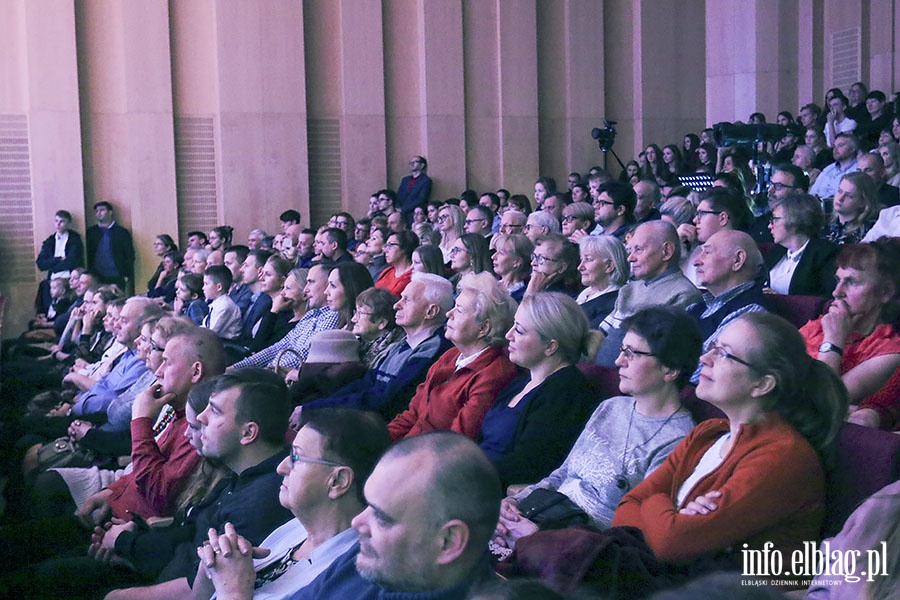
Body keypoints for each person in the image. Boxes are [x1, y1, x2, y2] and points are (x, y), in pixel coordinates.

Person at [613, 313, 846, 569]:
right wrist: (669, 512)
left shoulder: (783, 456)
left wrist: (655, 499)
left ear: (762, 384)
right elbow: (626, 506)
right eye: (712, 347)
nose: (704, 359)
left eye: (723, 353)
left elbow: (672, 542)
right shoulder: (706, 434)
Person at [495, 306, 701, 546]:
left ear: (670, 370)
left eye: (632, 353)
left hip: (580, 550)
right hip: (542, 516)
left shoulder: (678, 439)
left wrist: (541, 538)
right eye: (622, 350)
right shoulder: (612, 407)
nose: (618, 361)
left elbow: (633, 531)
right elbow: (563, 473)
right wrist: (516, 502)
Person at [193, 409, 392, 600]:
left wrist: (233, 591)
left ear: (338, 481)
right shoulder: (298, 528)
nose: (281, 467)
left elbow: (231, 591)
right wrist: (212, 565)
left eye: (296, 457)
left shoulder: (348, 575)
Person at [288, 432, 503, 599]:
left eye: (381, 517)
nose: (357, 523)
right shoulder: (370, 560)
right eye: (368, 505)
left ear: (448, 542)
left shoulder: (382, 559)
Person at [298, 273, 454, 424]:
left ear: (431, 312)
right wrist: (317, 405)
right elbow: (364, 384)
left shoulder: (434, 350)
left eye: (406, 300)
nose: (396, 305)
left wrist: (316, 410)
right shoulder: (400, 345)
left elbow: (385, 400)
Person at [478, 293, 597, 487]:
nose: (508, 336)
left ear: (550, 347)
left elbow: (528, 466)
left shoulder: (566, 392)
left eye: (519, 330)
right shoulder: (521, 381)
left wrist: (466, 472)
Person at [387, 272, 518, 441]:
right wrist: (377, 443)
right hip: (406, 448)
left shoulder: (494, 374)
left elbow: (456, 439)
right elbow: (412, 415)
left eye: (460, 310)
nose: (449, 314)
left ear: (484, 328)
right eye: (454, 306)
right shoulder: (450, 355)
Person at [800, 239, 900, 430]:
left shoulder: (889, 350)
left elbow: (819, 402)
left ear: (885, 292)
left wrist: (833, 341)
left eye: (851, 282)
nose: (836, 292)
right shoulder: (820, 325)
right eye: (838, 280)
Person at [596, 221, 701, 367]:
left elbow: (657, 354)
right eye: (630, 251)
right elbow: (601, 334)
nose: (630, 258)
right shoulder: (628, 289)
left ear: (666, 251)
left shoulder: (684, 294)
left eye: (638, 249)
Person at [231, 264, 341, 371]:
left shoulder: (333, 315)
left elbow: (302, 355)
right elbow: (277, 348)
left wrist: (264, 371)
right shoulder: (311, 316)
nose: (306, 290)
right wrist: (236, 368)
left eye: (311, 282)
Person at [764, 193, 839, 297]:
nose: (769, 226)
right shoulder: (777, 251)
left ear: (794, 221)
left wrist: (783, 300)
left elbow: (823, 300)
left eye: (775, 219)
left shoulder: (825, 255)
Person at [35, 210, 84, 314]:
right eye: (56, 221)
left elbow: (72, 261)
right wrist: (58, 259)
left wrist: (53, 266)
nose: (58, 224)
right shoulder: (50, 240)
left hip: (68, 278)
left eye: (62, 221)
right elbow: (40, 263)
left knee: (64, 302)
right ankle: (47, 318)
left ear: (68, 223)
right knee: (45, 289)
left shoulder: (74, 239)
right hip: (53, 278)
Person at [575, 235, 629, 329]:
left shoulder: (615, 302)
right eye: (581, 260)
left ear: (609, 266)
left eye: (588, 259)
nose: (580, 267)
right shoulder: (585, 294)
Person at [86, 201, 135, 292]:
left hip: (117, 275)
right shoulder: (91, 232)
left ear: (110, 212)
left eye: (102, 210)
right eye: (97, 211)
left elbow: (129, 255)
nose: (99, 213)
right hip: (96, 275)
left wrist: (126, 274)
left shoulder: (121, 232)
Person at [352, 287, 404, 368]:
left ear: (381, 322)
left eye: (360, 313)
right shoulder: (359, 343)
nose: (353, 319)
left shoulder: (391, 352)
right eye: (355, 312)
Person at [824, 171, 878, 244]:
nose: (840, 198)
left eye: (849, 196)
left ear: (862, 202)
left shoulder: (869, 232)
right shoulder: (825, 224)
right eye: (839, 191)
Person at [524, 233, 580, 298]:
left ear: (561, 268)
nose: (533, 263)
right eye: (534, 256)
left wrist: (530, 294)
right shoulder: (527, 285)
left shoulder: (562, 298)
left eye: (541, 258)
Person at [809, 132, 860, 200]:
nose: (835, 149)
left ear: (852, 149)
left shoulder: (858, 169)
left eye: (840, 145)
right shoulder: (828, 169)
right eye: (834, 146)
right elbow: (812, 192)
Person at [324, 262, 374, 329]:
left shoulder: (364, 329)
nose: (326, 292)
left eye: (333, 286)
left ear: (350, 288)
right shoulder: (336, 320)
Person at [202, 265, 243, 341]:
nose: (203, 288)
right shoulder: (216, 303)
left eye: (206, 284)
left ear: (219, 287)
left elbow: (211, 333)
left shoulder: (225, 306)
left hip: (227, 346)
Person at [492, 233, 533, 303]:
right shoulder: (490, 285)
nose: (493, 257)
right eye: (496, 251)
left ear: (517, 262)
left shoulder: (523, 295)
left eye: (501, 253)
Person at [374, 230, 416, 296]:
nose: (385, 250)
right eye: (386, 246)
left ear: (404, 248)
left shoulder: (413, 276)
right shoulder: (387, 271)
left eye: (390, 245)